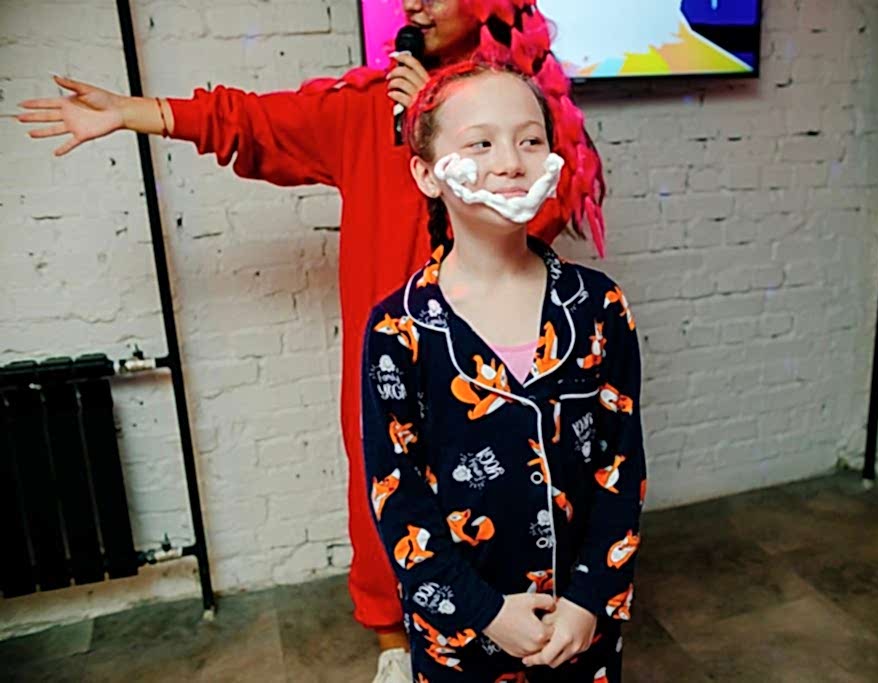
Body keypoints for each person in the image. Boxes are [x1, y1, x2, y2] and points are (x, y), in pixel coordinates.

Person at [16, 3, 605, 681]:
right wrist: (134, 112)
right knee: (389, 500)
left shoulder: (528, 112)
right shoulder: (367, 108)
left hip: (505, 361)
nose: (414, 3)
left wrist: (448, 128)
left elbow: (545, 215)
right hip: (402, 364)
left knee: (512, 497)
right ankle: (394, 646)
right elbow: (254, 121)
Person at [361, 60, 645, 682]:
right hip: (462, 645)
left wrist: (589, 601)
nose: (512, 162)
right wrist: (485, 612)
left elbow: (621, 467)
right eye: (481, 144)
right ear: (426, 174)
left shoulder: (599, 307)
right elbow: (397, 494)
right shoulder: (398, 330)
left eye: (530, 139)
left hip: (580, 635)